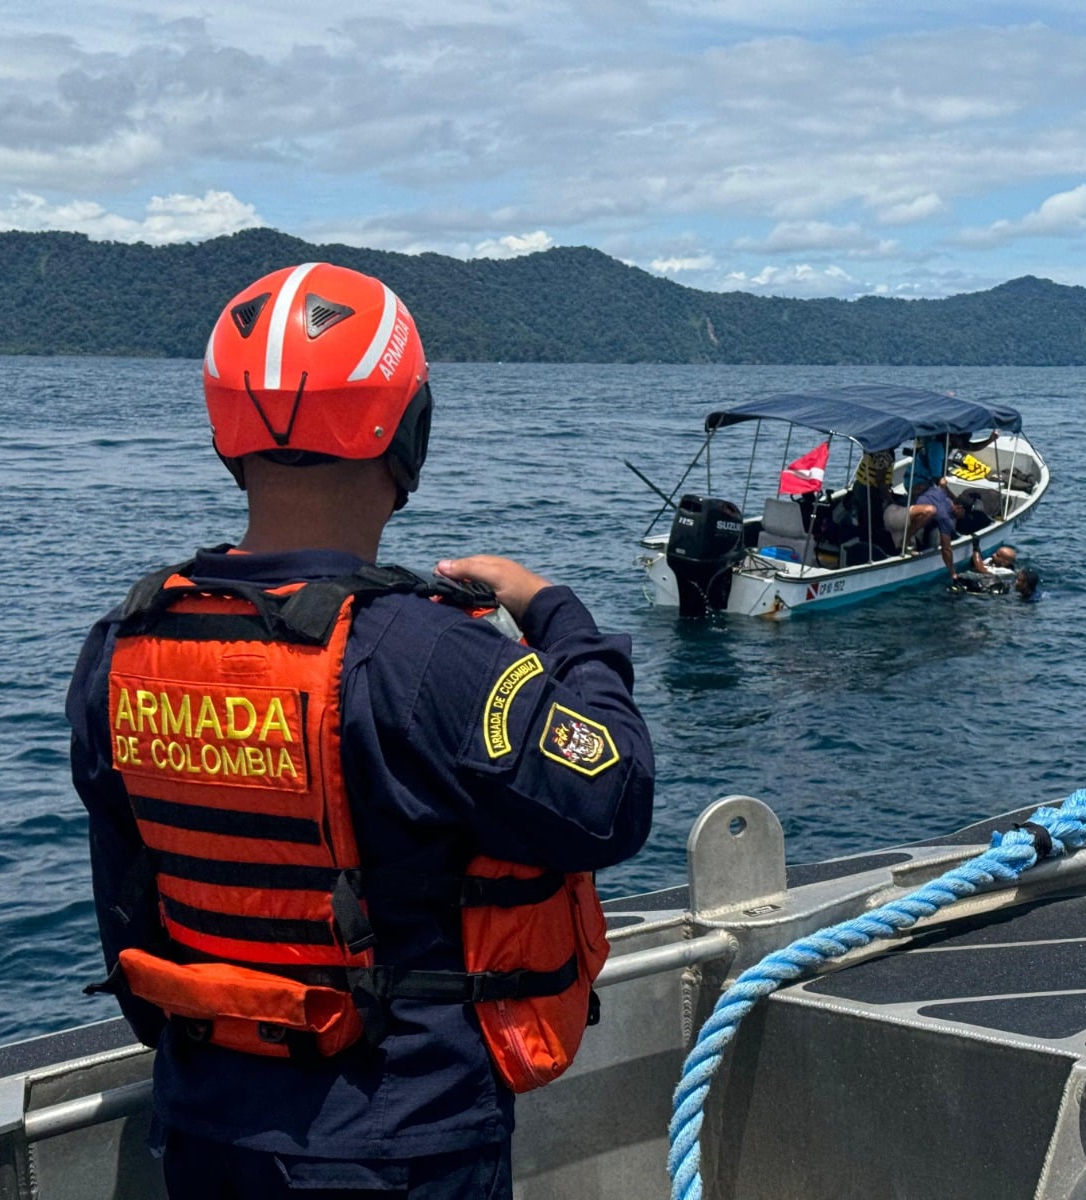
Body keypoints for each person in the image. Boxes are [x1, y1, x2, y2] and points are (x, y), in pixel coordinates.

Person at [66, 263, 654, 1199]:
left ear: (226, 434)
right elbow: (611, 800)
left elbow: (124, 896)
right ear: (408, 432)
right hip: (405, 1143)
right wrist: (561, 618)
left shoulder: (123, 646)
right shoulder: (433, 656)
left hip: (206, 1127)